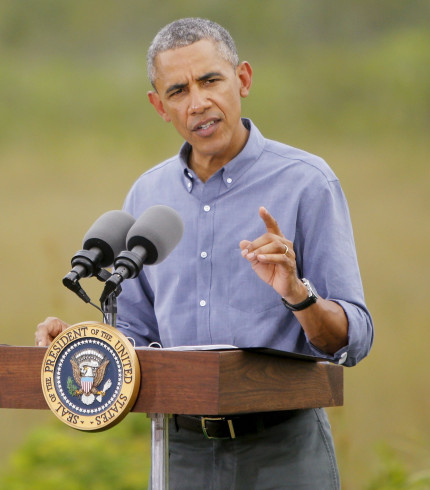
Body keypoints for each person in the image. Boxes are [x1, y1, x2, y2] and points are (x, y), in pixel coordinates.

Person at [36, 17, 373, 489]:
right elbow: (135, 332)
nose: (198, 103)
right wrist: (82, 345)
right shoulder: (148, 194)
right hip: (179, 450)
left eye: (211, 80)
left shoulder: (307, 182)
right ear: (159, 106)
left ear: (244, 80)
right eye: (178, 91)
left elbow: (353, 338)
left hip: (283, 448)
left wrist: (299, 295)